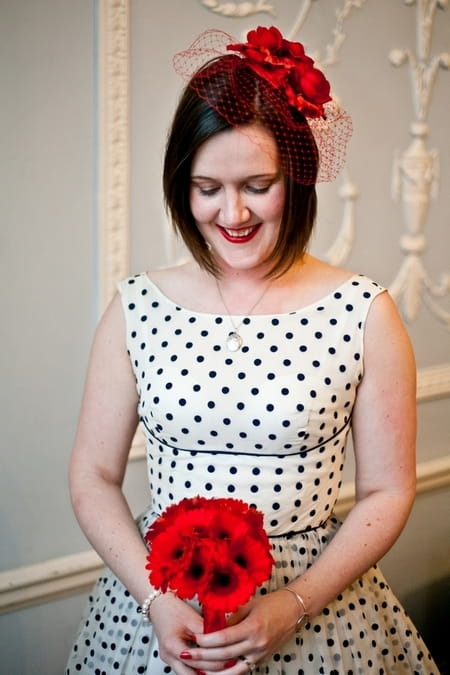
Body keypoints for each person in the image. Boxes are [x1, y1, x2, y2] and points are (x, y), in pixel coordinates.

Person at [66, 26, 439, 675]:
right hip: (159, 609)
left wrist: (290, 604)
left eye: (256, 184)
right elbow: (92, 476)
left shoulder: (365, 312)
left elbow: (386, 489)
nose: (231, 212)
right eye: (207, 187)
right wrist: (153, 599)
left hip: (316, 609)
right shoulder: (136, 307)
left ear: (297, 175)